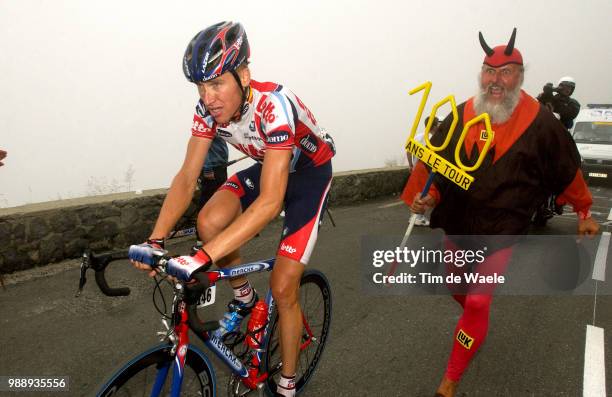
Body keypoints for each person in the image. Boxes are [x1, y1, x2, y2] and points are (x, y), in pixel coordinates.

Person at [129, 21, 335, 397]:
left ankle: (286, 385)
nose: (208, 98)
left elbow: (272, 202)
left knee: (284, 286)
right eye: (201, 87)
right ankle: (244, 297)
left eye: (217, 84)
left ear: (243, 75)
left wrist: (203, 257)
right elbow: (187, 175)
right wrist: (155, 239)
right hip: (271, 165)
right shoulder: (207, 110)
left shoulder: (273, 106)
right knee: (209, 219)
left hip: (308, 175)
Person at [401, 28, 599, 397]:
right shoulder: (461, 114)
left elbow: (565, 171)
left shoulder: (542, 122)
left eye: (505, 72)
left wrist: (584, 211)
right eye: (489, 72)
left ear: (520, 76)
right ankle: (474, 325)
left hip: (503, 224)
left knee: (477, 299)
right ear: (481, 75)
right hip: (460, 220)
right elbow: (434, 164)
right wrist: (425, 199)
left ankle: (449, 382)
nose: (496, 80)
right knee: (458, 288)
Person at [406, 116, 440, 226]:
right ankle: (417, 218)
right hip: (426, 172)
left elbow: (408, 150)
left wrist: (411, 164)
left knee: (417, 195)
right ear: (434, 126)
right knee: (423, 196)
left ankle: (414, 217)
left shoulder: (418, 137)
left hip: (416, 169)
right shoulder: (433, 139)